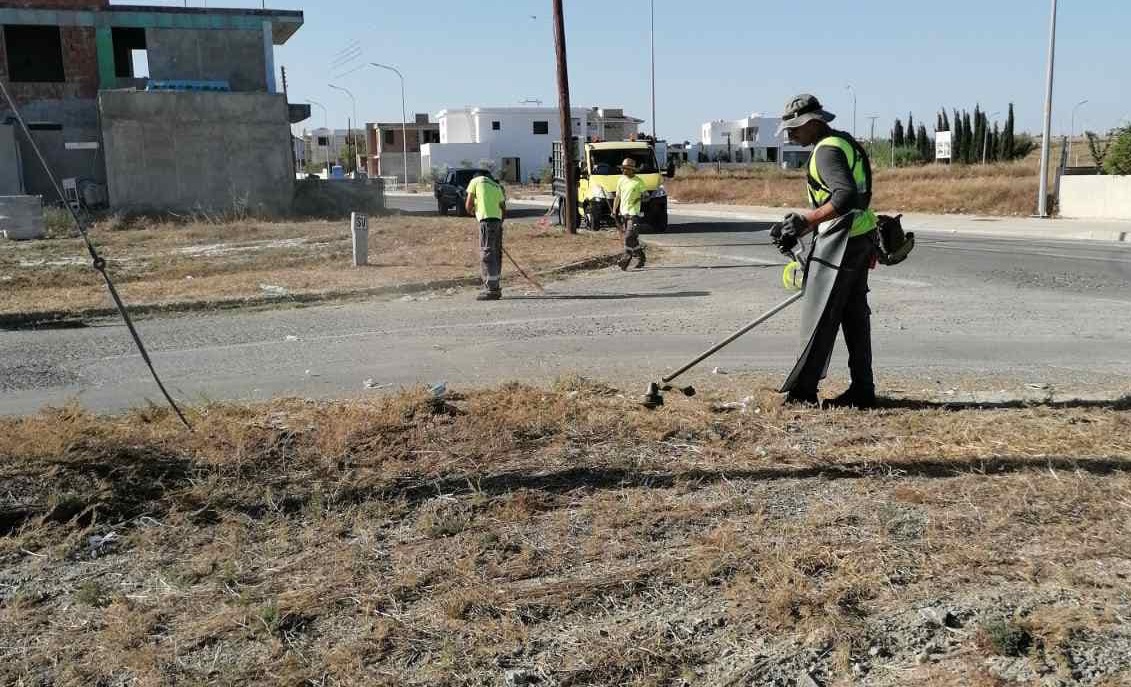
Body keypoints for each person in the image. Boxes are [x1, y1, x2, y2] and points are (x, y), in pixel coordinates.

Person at [772, 93, 879, 409]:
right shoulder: (844, 142)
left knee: (822, 313)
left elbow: (844, 196)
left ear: (813, 123)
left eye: (795, 128)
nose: (791, 134)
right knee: (854, 315)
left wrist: (806, 221)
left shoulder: (825, 152)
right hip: (860, 234)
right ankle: (863, 389)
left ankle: (803, 392)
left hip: (843, 240)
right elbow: (859, 195)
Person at [464, 170, 507, 301]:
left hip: (486, 222)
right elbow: (503, 208)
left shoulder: (476, 181)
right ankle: (495, 286)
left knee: (487, 254)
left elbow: (468, 204)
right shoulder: (496, 186)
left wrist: (472, 211)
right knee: (496, 254)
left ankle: (491, 289)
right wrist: (498, 224)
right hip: (497, 222)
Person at [611, 157, 646, 270]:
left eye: (625, 168)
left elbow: (646, 195)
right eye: (623, 168)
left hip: (634, 214)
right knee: (632, 239)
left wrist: (640, 198)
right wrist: (614, 210)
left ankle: (626, 258)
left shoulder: (638, 181)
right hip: (623, 214)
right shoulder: (621, 180)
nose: (623, 170)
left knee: (628, 237)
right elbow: (617, 196)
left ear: (632, 170)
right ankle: (641, 257)